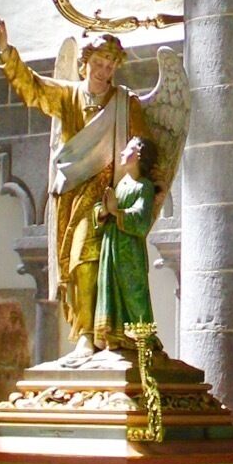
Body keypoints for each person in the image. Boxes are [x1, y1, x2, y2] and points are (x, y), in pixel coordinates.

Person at [0, 22, 155, 359]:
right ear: (85, 64)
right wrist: (6, 51)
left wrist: (140, 194)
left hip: (110, 194)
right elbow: (33, 88)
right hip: (76, 193)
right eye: (98, 64)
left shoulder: (126, 103)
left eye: (110, 66)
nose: (104, 72)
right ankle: (85, 335)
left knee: (101, 260)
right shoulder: (68, 96)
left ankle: (105, 333)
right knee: (79, 261)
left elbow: (145, 150)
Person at [93, 134, 159, 350]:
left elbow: (141, 219)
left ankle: (142, 339)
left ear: (139, 155)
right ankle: (116, 336)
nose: (122, 152)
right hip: (112, 245)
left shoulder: (144, 187)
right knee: (111, 287)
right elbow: (105, 212)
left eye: (128, 149)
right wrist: (103, 211)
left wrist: (116, 211)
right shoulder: (121, 184)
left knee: (133, 291)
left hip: (129, 250)